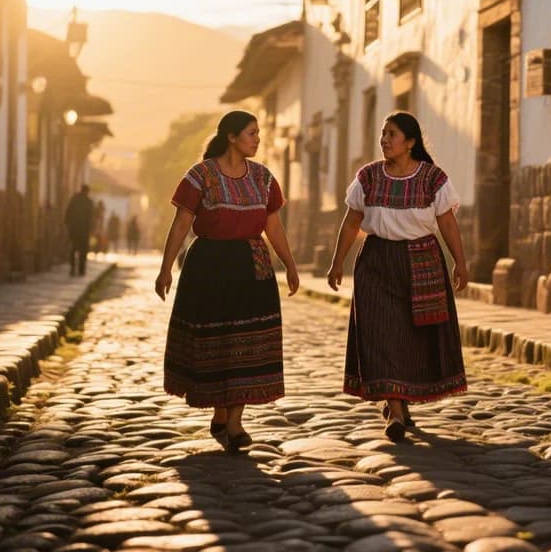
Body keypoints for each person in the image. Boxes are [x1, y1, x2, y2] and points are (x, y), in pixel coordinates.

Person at [155, 110, 299, 452]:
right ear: (231, 137)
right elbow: (181, 224)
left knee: (245, 343)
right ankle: (221, 412)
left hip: (253, 268)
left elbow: (273, 226)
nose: (257, 139)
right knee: (218, 342)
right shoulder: (200, 176)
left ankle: (234, 423)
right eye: (251, 133)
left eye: (258, 133)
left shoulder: (264, 178)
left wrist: (290, 265)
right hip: (209, 269)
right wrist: (165, 269)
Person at [327, 111, 468, 442]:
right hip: (377, 262)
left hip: (422, 262)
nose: (385, 140)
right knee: (381, 334)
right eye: (383, 134)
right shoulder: (368, 177)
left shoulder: (433, 179)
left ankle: (401, 402)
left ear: (410, 142)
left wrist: (461, 263)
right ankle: (394, 409)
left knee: (411, 337)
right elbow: (351, 221)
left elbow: (447, 223)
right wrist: (336, 262)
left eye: (392, 134)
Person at [64, 184, 94, 276]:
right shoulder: (89, 202)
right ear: (87, 191)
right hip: (84, 230)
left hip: (74, 229)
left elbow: (68, 212)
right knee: (83, 250)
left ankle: (72, 268)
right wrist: (91, 229)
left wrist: (67, 225)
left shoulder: (74, 199)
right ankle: (81, 269)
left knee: (73, 248)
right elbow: (91, 218)